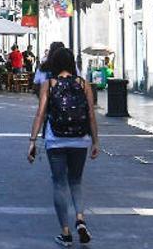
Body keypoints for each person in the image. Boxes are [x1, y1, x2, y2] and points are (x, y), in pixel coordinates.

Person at [28, 48, 100, 246]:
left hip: (55, 140)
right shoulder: (84, 84)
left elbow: (40, 114)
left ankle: (66, 233)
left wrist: (32, 141)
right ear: (72, 64)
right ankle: (80, 219)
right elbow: (92, 115)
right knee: (76, 181)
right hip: (80, 139)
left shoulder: (48, 84)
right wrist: (95, 141)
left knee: (59, 183)